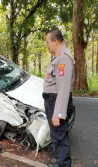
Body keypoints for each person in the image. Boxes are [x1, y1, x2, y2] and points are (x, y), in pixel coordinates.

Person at [43, 28, 75, 167]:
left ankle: (64, 165)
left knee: (60, 136)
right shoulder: (59, 56)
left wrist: (58, 114)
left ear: (55, 41)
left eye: (48, 42)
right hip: (52, 101)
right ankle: (60, 163)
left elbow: (63, 89)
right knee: (56, 135)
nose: (47, 45)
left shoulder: (63, 59)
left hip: (56, 102)